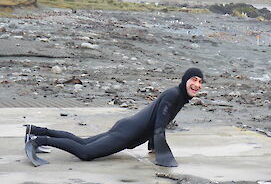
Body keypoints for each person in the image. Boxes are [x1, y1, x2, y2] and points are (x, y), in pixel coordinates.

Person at [24, 67, 204, 167]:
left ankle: (36, 131)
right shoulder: (174, 95)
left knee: (83, 142)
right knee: (86, 153)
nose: (197, 84)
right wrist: (165, 158)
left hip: (127, 128)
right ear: (185, 80)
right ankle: (38, 141)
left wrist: (154, 147)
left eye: (200, 82)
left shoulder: (178, 96)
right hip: (126, 133)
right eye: (194, 79)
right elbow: (158, 126)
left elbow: (160, 120)